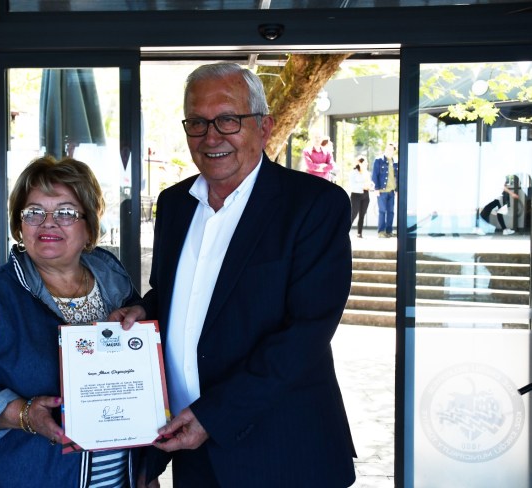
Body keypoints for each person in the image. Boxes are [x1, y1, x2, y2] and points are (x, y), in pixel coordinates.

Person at [109, 62, 356, 487]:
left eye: (228, 119)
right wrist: (143, 311)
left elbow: (306, 333)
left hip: (283, 452)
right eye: (197, 122)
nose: (211, 136)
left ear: (264, 127)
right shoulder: (175, 204)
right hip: (193, 452)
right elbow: (176, 295)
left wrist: (213, 416)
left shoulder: (314, 205)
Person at [0, 155, 147, 487]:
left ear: (89, 225)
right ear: (20, 225)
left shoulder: (118, 289)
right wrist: (22, 415)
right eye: (34, 212)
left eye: (65, 212)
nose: (48, 223)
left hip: (115, 478)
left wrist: (145, 471)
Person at [371, 142, 398, 238]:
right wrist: (376, 189)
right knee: (382, 211)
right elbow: (374, 175)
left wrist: (397, 190)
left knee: (391, 212)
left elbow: (397, 177)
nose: (389, 150)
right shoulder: (379, 160)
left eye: (391, 149)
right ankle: (381, 232)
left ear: (394, 151)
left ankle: (389, 231)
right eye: (387, 148)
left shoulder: (395, 162)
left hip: (392, 191)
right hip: (382, 191)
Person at [349, 156, 372, 238]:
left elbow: (369, 183)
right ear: (359, 163)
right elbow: (352, 185)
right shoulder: (353, 173)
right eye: (365, 162)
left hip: (365, 195)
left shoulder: (367, 173)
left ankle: (359, 233)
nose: (367, 164)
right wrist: (363, 185)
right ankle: (344, 230)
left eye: (367, 163)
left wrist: (370, 185)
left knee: (362, 215)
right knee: (353, 214)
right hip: (356, 195)